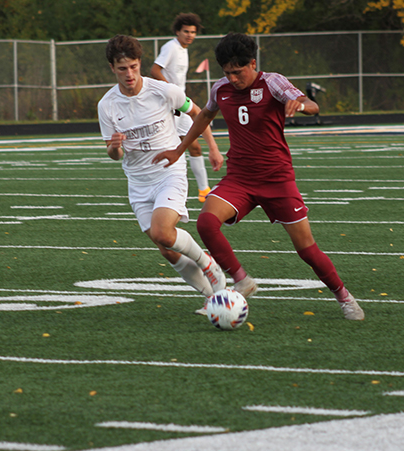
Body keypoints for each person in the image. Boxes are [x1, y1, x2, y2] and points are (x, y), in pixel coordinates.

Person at [154, 32, 364, 321]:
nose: (233, 78)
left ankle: (344, 296)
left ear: (252, 63)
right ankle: (241, 280)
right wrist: (179, 150)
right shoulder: (221, 88)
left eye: (238, 72)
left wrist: (300, 105)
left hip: (277, 179)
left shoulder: (272, 82)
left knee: (306, 249)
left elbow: (312, 105)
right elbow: (203, 115)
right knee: (206, 222)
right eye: (227, 72)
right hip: (239, 178)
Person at [97, 35, 226, 310]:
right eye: (122, 69)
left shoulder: (163, 91)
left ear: (140, 63)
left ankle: (208, 264)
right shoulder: (106, 105)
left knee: (164, 233)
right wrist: (115, 148)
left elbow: (198, 113)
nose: (129, 74)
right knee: (166, 248)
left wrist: (213, 148)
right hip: (138, 181)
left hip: (169, 172)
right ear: (112, 68)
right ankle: (211, 297)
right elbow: (114, 154)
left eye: (133, 66)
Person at [150, 13, 220, 203]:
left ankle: (204, 190)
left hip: (179, 104)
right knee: (185, 144)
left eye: (193, 32)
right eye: (186, 32)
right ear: (177, 32)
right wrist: (171, 90)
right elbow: (154, 70)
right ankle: (167, 187)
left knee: (194, 146)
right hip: (170, 105)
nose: (190, 35)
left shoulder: (183, 49)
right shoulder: (171, 47)